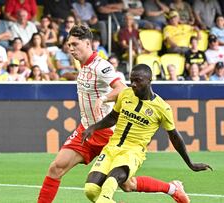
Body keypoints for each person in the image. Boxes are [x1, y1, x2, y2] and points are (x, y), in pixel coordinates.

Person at [81, 64, 212, 203]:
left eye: (138, 80)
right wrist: (94, 127)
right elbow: (113, 116)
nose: (133, 84)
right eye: (131, 80)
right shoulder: (125, 94)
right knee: (91, 191)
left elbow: (174, 137)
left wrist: (190, 163)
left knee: (108, 187)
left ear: (149, 80)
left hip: (132, 152)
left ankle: (173, 189)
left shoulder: (162, 108)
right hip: (111, 148)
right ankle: (173, 189)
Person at [37, 24, 128, 203]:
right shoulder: (83, 65)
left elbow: (122, 88)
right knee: (56, 168)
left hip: (107, 134)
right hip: (86, 130)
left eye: (75, 44)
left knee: (127, 184)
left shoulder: (101, 66)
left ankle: (172, 189)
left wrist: (103, 99)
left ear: (88, 44)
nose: (70, 48)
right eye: (69, 44)